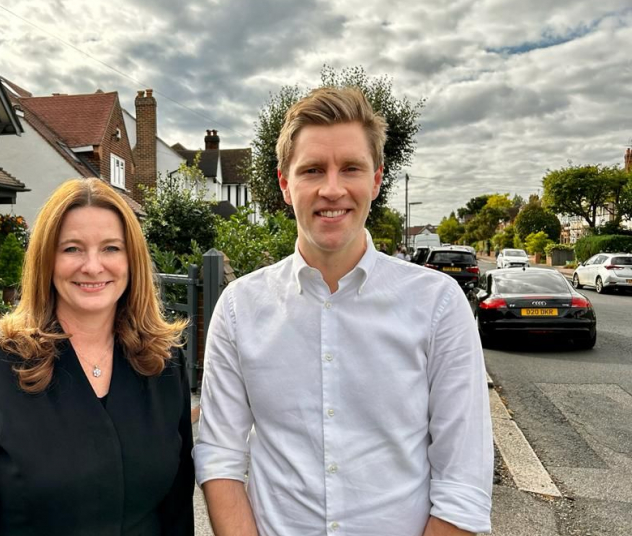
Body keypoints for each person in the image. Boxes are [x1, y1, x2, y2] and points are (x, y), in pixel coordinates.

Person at [194, 87, 492, 536]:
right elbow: (220, 455)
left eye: (350, 168)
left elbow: (463, 479)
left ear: (376, 179)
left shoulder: (439, 305)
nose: (332, 189)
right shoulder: (240, 308)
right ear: (285, 184)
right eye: (312, 170)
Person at [0, 178, 194, 536]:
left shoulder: (162, 362)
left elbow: (177, 511)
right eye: (72, 249)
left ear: (132, 259)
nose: (92, 266)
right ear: (47, 259)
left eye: (111, 248)